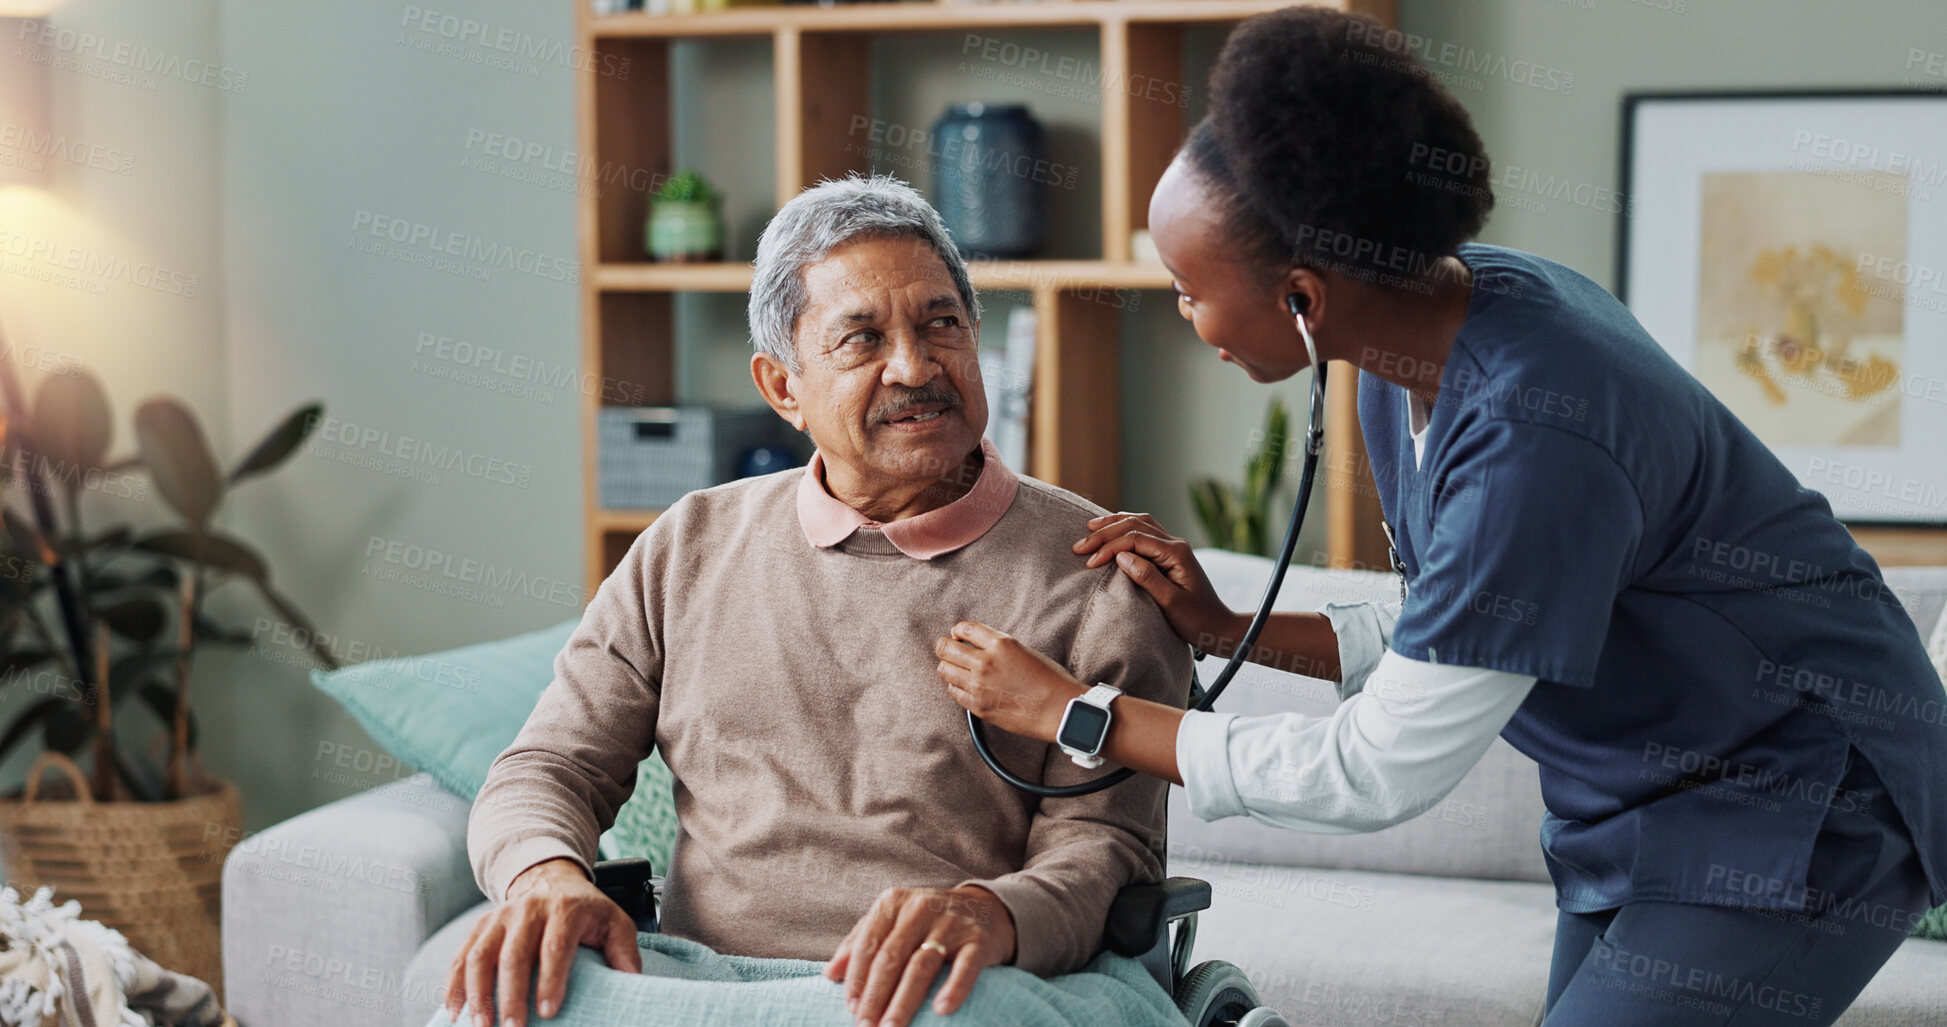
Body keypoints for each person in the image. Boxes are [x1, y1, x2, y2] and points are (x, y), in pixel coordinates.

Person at [936, 8, 1947, 1025]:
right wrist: (1230, 631)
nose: (1186, 318)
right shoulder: (1414, 339)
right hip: (1645, 797)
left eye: (1191, 290)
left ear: (1302, 299)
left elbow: (1374, 768)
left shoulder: (1533, 436)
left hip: (1803, 794)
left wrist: (1076, 713)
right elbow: (1453, 617)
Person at [441, 175, 1190, 1027]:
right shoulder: (688, 545)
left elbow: (1106, 847)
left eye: (941, 323)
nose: (914, 366)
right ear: (782, 387)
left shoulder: (1100, 571)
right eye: (861, 338)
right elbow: (548, 769)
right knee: (501, 999)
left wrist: (992, 912)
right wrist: (544, 878)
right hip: (702, 986)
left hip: (962, 985)